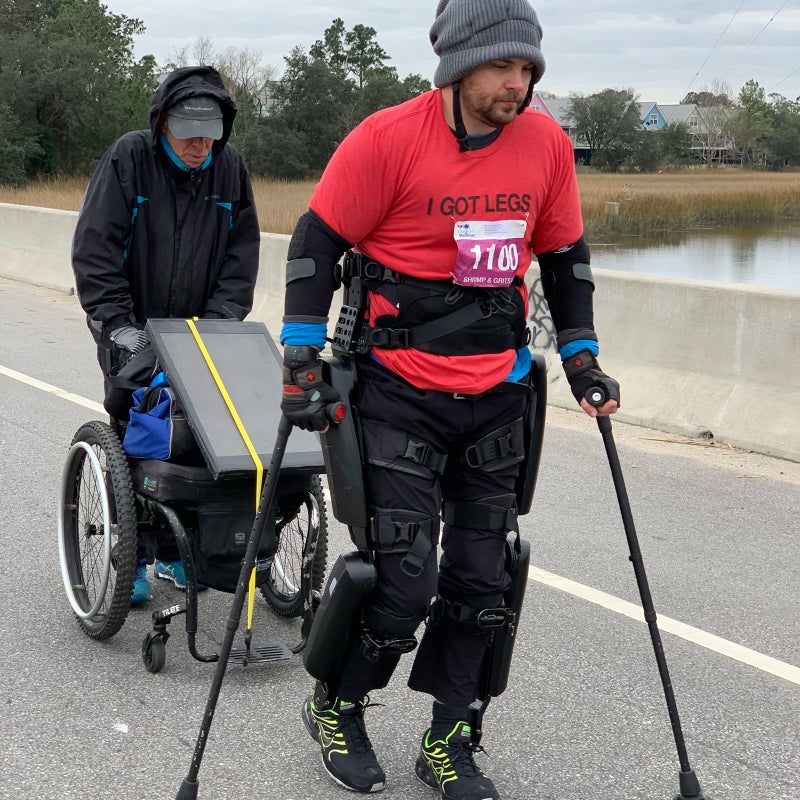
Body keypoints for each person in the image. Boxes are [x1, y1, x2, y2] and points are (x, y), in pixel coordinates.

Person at [280, 0, 620, 797]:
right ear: (458, 64)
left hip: (496, 395)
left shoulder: (545, 144)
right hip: (396, 392)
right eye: (502, 67)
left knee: (483, 578)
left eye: (528, 67)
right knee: (405, 579)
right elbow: (316, 242)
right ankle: (338, 702)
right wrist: (301, 354)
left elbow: (565, 256)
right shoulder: (387, 138)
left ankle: (452, 736)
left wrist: (583, 358)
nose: (518, 83)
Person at [72, 65, 261, 606]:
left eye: (211, 134)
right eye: (189, 133)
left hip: (202, 326)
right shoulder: (130, 159)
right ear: (163, 127)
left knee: (200, 430)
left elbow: (240, 255)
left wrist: (224, 316)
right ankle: (127, 554)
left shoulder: (229, 171)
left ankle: (181, 553)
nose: (201, 145)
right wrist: (117, 325)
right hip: (132, 319)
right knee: (136, 423)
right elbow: (95, 247)